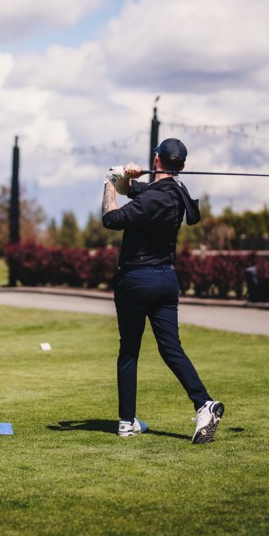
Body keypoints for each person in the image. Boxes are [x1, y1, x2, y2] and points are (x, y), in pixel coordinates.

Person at [101, 137, 224, 444]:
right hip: (166, 280)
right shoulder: (174, 193)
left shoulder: (153, 198)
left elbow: (111, 218)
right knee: (171, 348)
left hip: (135, 280)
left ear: (156, 160)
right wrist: (126, 178)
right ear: (180, 166)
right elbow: (136, 192)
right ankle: (203, 403)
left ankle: (126, 422)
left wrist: (108, 181)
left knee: (129, 350)